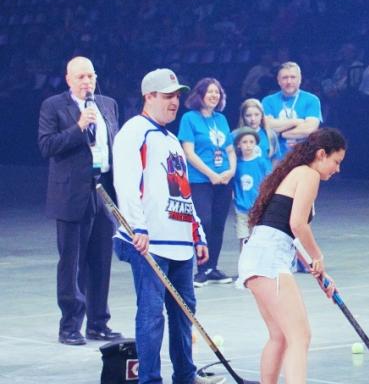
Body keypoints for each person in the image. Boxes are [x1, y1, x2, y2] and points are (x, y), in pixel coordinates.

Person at [111, 68, 224, 384]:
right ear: (148, 97)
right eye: (167, 96)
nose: (174, 102)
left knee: (184, 313)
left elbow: (183, 192)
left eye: (176, 96)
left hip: (180, 242)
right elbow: (126, 183)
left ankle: (185, 376)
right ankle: (150, 379)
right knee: (151, 314)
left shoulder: (173, 140)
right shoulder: (134, 132)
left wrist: (197, 233)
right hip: (149, 241)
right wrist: (137, 228)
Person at [236, 128, 346, 384]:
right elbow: (297, 224)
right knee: (300, 336)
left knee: (280, 336)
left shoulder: (295, 173)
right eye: (336, 162)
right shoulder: (308, 175)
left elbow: (289, 232)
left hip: (260, 254)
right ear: (321, 154)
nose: (337, 169)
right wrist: (319, 255)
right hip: (270, 258)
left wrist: (319, 272)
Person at [38, 56, 123, 345]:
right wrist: (77, 128)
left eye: (91, 76)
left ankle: (98, 322)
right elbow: (47, 145)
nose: (87, 82)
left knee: (100, 260)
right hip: (72, 191)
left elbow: (115, 145)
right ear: (69, 80)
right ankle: (70, 325)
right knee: (72, 261)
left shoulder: (108, 104)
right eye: (81, 77)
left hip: (104, 190)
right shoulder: (53, 106)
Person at [179, 78, 236, 287]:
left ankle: (213, 267)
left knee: (219, 224)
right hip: (200, 180)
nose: (214, 96)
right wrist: (211, 173)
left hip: (223, 180)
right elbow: (189, 151)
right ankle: (201, 269)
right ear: (200, 95)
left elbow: (230, 149)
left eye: (217, 93)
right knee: (204, 220)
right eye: (210, 92)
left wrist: (231, 170)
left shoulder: (221, 119)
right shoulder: (189, 118)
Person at [262, 62, 322, 161]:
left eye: (293, 77)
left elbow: (310, 129)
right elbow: (267, 126)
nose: (289, 81)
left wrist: (282, 133)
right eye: (285, 78)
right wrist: (297, 122)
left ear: (300, 79)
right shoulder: (268, 101)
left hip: (304, 158)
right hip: (275, 159)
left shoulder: (312, 100)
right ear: (278, 81)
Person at [230, 127, 272, 251]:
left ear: (255, 144)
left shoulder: (261, 162)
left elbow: (269, 180)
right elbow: (234, 184)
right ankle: (244, 266)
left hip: (259, 207)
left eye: (251, 142)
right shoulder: (236, 164)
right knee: (244, 238)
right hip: (241, 207)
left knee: (258, 237)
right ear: (238, 144)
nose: (248, 145)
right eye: (244, 142)